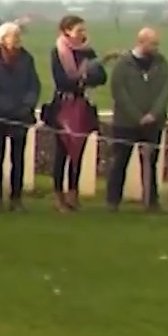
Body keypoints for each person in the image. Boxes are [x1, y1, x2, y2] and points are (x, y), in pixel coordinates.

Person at [44, 15, 109, 212]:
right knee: (62, 151)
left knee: (78, 152)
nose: (83, 33)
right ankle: (58, 195)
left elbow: (101, 76)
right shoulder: (58, 52)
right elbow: (61, 80)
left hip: (82, 105)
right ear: (67, 31)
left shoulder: (88, 51)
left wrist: (85, 78)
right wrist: (84, 78)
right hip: (63, 107)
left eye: (83, 30)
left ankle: (73, 193)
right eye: (79, 30)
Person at [106, 27, 168, 212]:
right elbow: (119, 91)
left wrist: (154, 114)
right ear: (141, 42)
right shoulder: (123, 64)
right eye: (153, 43)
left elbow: (166, 88)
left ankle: (151, 201)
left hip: (153, 123)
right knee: (120, 161)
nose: (157, 47)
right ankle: (113, 201)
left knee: (151, 163)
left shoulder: (161, 63)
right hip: (125, 123)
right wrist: (137, 116)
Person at [0, 21, 41, 211]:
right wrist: (11, 108)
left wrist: (26, 106)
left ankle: (17, 198)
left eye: (18, 36)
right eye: (13, 36)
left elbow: (34, 85)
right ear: (3, 39)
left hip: (21, 117)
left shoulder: (27, 59)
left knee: (18, 159)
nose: (17, 40)